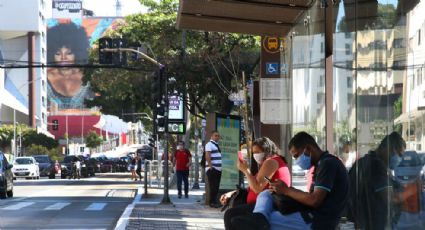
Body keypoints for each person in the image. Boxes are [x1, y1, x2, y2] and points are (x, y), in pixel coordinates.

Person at [232, 131, 349, 230]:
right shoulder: (321, 164)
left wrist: (287, 190)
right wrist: (284, 190)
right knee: (266, 193)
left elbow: (315, 200)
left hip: (316, 220)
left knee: (246, 222)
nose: (297, 160)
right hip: (308, 213)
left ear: (308, 149)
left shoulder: (328, 164)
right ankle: (258, 217)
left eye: (297, 155)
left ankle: (259, 219)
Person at [346, 132, 424, 229]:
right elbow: (391, 198)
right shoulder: (376, 166)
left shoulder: (366, 161)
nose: (399, 159)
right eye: (398, 154)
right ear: (387, 149)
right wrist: (413, 189)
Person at [222, 137, 291, 230]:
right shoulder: (268, 163)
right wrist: (232, 193)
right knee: (233, 214)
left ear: (267, 150)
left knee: (230, 215)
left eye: (258, 152)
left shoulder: (271, 162)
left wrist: (246, 171)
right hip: (259, 203)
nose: (256, 155)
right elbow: (252, 186)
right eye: (254, 153)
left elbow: (258, 188)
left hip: (268, 204)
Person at [47, 22, 92, 109]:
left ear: (77, 53)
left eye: (69, 53)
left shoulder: (88, 77)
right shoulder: (43, 79)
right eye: (58, 53)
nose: (63, 58)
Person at [205, 130, 222, 208]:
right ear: (211, 136)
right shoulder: (209, 144)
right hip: (213, 169)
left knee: (216, 186)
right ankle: (212, 202)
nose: (217, 137)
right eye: (215, 135)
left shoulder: (216, 145)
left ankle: (214, 201)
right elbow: (207, 155)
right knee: (213, 186)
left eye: (218, 136)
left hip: (218, 169)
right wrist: (210, 166)